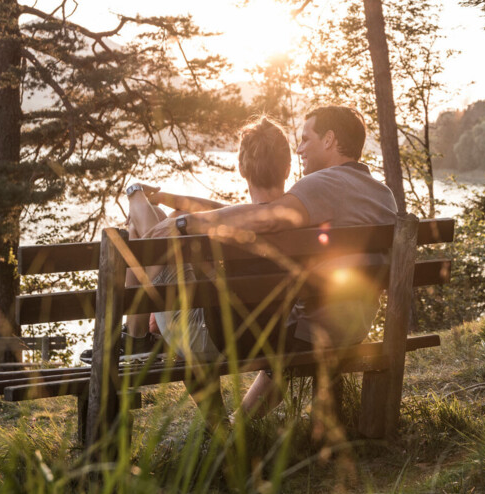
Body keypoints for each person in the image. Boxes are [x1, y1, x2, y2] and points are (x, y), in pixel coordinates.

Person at [148, 105, 397, 419]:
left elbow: (264, 218)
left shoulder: (324, 184)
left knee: (261, 327)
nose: (301, 148)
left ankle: (224, 429)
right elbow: (259, 211)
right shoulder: (381, 194)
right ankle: (238, 424)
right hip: (353, 328)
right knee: (284, 330)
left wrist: (184, 224)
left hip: (307, 334)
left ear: (330, 140)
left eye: (306, 138)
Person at [84, 116, 293, 364]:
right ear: (288, 168)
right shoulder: (291, 218)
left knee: (139, 202)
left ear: (241, 168)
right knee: (163, 216)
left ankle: (136, 336)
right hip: (266, 341)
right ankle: (136, 337)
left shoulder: (241, 220)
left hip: (205, 339)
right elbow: (222, 208)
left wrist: (135, 191)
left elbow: (221, 211)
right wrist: (167, 198)